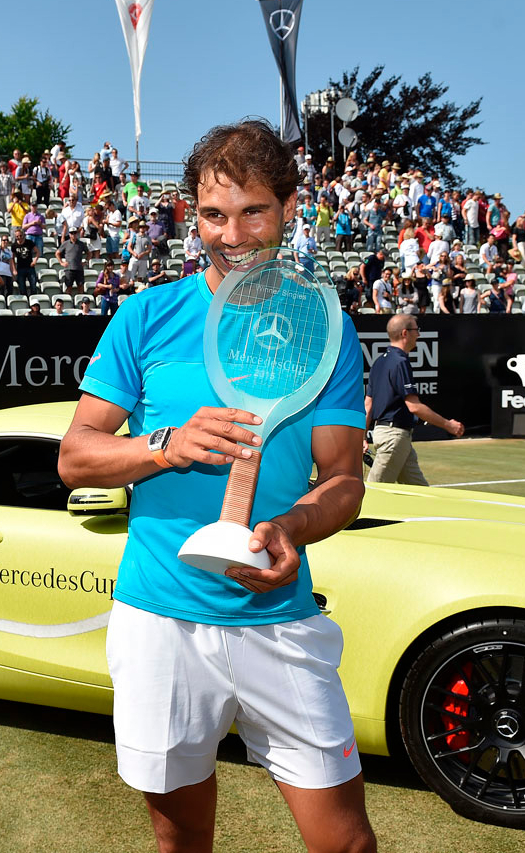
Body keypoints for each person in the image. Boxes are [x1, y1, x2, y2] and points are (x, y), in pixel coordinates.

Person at [57, 120, 377, 853]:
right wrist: (165, 446)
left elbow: (343, 481)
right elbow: (76, 458)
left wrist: (290, 530)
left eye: (253, 211)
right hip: (159, 620)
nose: (232, 234)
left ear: (290, 207)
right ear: (192, 214)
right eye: (213, 214)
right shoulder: (146, 315)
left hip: (279, 616)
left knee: (346, 844)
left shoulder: (323, 325)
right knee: (181, 844)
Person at [365, 314, 465, 484]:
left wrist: (362, 437)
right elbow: (414, 407)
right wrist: (449, 425)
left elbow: (368, 405)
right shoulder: (400, 362)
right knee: (374, 492)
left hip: (391, 436)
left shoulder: (379, 362)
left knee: (418, 491)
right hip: (393, 438)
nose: (418, 334)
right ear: (405, 333)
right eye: (416, 330)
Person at [56, 227, 87, 296]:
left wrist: (86, 261)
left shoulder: (81, 244)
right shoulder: (65, 243)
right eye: (71, 233)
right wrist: (61, 262)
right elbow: (57, 253)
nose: (73, 235)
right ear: (69, 234)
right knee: (69, 287)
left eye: (75, 233)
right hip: (69, 269)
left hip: (79, 268)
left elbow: (89, 253)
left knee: (80, 286)